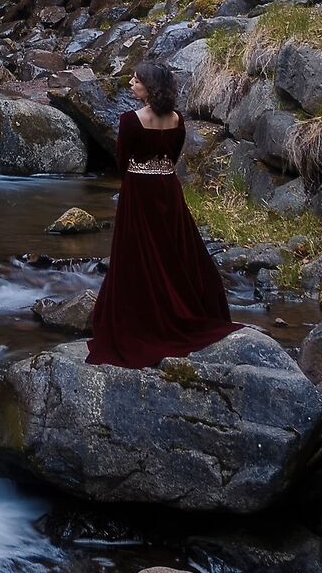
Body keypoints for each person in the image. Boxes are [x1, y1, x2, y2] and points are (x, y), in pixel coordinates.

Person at [87, 57, 235, 368]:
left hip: (139, 191)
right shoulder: (178, 120)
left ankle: (143, 314)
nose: (131, 83)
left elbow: (122, 160)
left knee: (138, 254)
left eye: (137, 80)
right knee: (173, 250)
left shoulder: (130, 121)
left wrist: (136, 177)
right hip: (167, 189)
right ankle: (181, 304)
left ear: (150, 88)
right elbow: (174, 154)